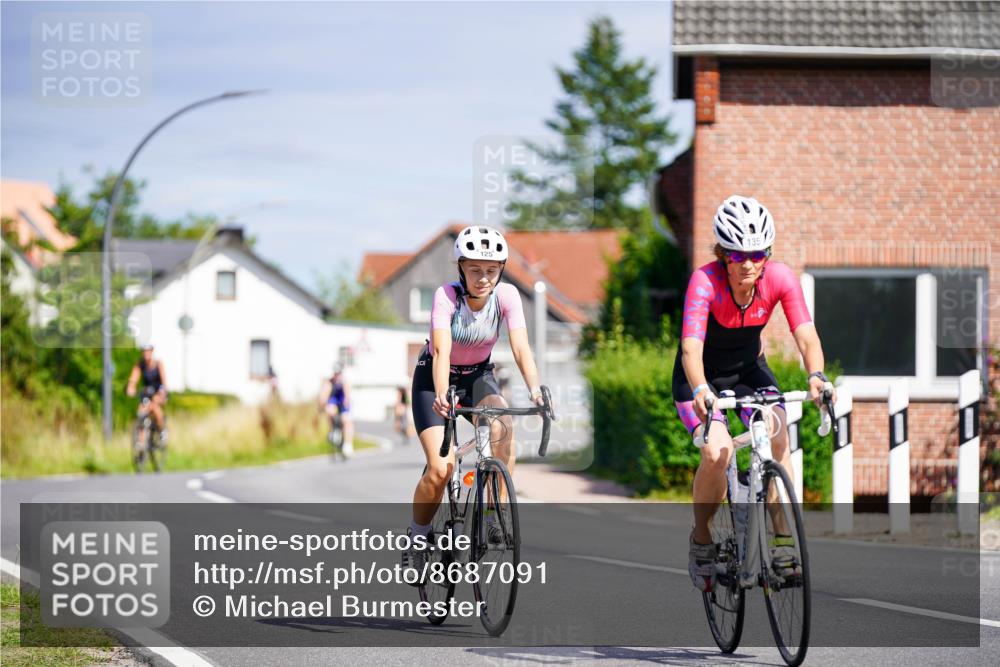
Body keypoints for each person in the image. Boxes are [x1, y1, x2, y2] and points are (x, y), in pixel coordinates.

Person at [675, 195, 836, 592]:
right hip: (701, 377)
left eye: (758, 253)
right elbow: (690, 349)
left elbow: (805, 334)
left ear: (768, 253)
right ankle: (701, 538)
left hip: (748, 371)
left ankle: (782, 542)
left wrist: (816, 374)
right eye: (737, 254)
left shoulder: (779, 278)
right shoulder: (705, 281)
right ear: (723, 254)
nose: (748, 263)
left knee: (779, 435)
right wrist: (700, 390)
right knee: (717, 452)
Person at [401, 225, 545, 583]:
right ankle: (417, 537)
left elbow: (521, 347)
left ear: (501, 270)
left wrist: (536, 390)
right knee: (440, 468)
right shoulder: (446, 297)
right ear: (461, 268)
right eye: (476, 269)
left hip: (478, 375)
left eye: (492, 270)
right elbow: (442, 351)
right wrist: (440, 393)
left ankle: (494, 513)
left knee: (502, 426)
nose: (484, 278)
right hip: (435, 374)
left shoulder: (507, 297)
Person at [125, 344, 169, 443]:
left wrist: (162, 392)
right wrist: (130, 387)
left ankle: (162, 430)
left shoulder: (158, 364)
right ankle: (141, 443)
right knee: (141, 411)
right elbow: (133, 378)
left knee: (155, 408)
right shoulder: (140, 364)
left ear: (152, 352)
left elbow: (164, 381)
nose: (146, 353)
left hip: (159, 391)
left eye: (148, 351)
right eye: (144, 351)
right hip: (147, 393)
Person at [318, 364, 353, 456]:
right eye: (335, 373)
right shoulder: (329, 382)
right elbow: (323, 396)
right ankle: (332, 431)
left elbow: (347, 395)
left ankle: (347, 444)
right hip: (333, 400)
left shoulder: (345, 382)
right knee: (330, 411)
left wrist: (346, 401)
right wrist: (323, 404)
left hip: (342, 400)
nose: (337, 376)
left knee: (347, 420)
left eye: (339, 373)